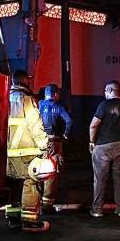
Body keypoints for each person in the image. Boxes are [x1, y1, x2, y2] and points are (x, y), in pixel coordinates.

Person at [5, 70, 51, 232]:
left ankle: (13, 219)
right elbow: (35, 125)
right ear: (24, 81)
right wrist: (45, 145)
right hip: (25, 152)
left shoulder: (4, 98)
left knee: (12, 186)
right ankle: (30, 222)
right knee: (30, 184)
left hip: (6, 153)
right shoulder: (27, 100)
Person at [88, 80, 120, 217]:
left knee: (100, 178)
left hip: (103, 146)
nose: (104, 93)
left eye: (105, 90)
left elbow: (93, 125)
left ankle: (97, 210)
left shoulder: (104, 105)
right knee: (119, 178)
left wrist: (92, 141)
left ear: (110, 90)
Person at [38, 84, 74, 213]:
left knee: (38, 171)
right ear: (55, 94)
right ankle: (47, 205)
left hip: (40, 142)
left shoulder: (39, 104)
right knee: (52, 173)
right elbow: (69, 121)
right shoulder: (59, 107)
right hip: (54, 142)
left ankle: (35, 201)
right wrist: (65, 135)